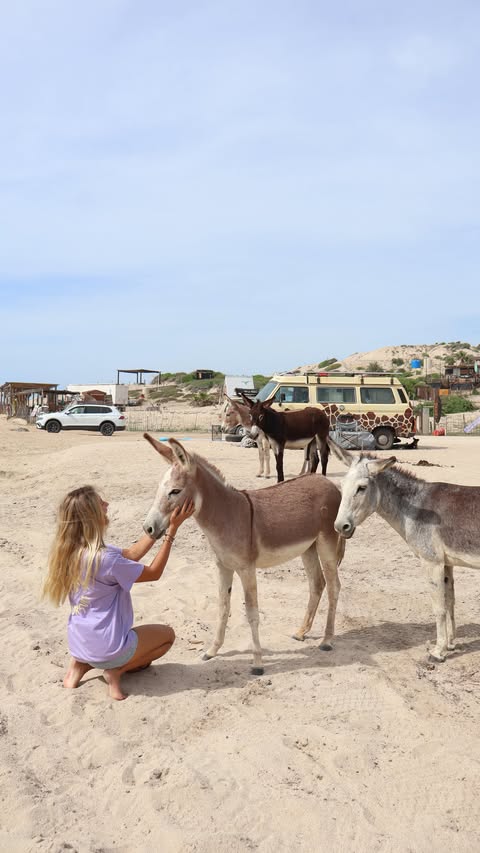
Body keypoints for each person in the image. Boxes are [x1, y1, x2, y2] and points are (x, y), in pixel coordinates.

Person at [43, 485, 194, 700]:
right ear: (92, 515)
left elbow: (132, 554)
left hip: (79, 643)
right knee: (167, 636)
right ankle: (115, 671)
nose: (106, 504)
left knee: (94, 638)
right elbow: (154, 573)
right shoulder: (106, 559)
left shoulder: (71, 550)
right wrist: (172, 532)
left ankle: (78, 667)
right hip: (109, 647)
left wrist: (163, 522)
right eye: (100, 503)